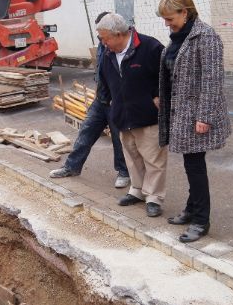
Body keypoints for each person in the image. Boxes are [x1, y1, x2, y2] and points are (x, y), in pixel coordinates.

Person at [157, 0, 231, 242]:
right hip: (182, 112)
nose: (167, 23)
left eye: (170, 18)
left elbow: (212, 80)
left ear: (185, 12)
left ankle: (201, 220)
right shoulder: (179, 36)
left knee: (195, 166)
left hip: (197, 115)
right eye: (165, 19)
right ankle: (191, 210)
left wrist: (205, 117)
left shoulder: (206, 37)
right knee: (191, 164)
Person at [96, 13, 167, 217]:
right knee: (132, 156)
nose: (102, 42)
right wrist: (108, 101)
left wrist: (158, 96)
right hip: (122, 115)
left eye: (104, 38)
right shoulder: (108, 52)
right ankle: (137, 190)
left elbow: (167, 77)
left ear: (118, 35)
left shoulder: (150, 47)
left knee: (154, 158)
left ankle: (153, 197)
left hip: (148, 115)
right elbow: (103, 79)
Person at [49, 12, 130, 189]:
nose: (101, 40)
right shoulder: (103, 44)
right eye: (99, 35)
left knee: (118, 138)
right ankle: (72, 167)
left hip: (116, 102)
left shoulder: (123, 46)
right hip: (100, 99)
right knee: (86, 131)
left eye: (103, 36)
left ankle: (124, 172)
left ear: (114, 32)